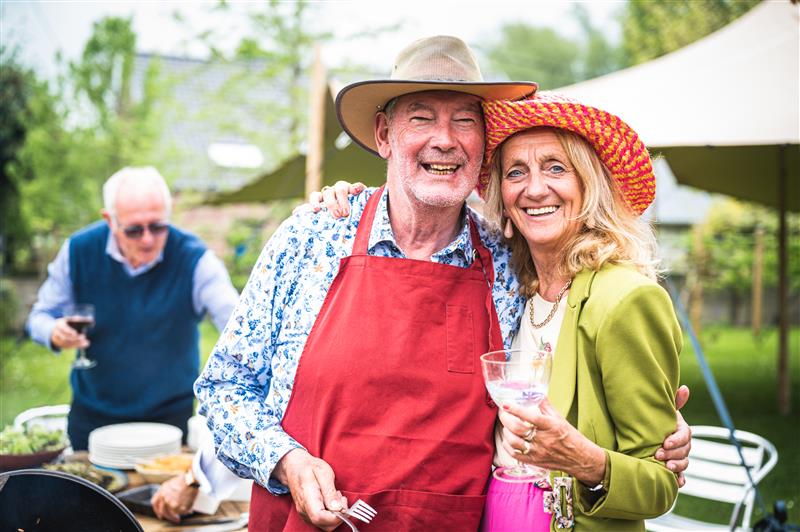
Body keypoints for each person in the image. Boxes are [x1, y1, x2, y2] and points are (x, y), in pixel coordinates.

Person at [195, 36, 690, 531]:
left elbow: (572, 364)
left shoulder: (510, 260)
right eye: (421, 117)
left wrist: (659, 438)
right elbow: (224, 387)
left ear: (481, 148)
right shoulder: (312, 238)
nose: (445, 139)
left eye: (464, 120)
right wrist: (287, 462)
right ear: (385, 134)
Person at [26, 166, 238, 451]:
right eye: (134, 230)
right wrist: (53, 331)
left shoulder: (195, 259)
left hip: (168, 423)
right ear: (110, 220)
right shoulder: (78, 251)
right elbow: (39, 316)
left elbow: (238, 325)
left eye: (158, 226)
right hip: (93, 421)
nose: (148, 239)